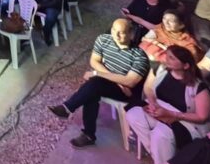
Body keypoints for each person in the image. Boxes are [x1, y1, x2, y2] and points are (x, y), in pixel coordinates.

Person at [48, 18, 149, 147]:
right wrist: (117, 81)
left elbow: (130, 81)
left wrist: (98, 74)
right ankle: (87, 134)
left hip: (126, 92)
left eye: (121, 32)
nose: (116, 35)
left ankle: (69, 110)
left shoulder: (139, 56)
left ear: (131, 34)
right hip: (115, 84)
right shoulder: (104, 40)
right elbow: (94, 62)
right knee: (93, 89)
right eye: (114, 30)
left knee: (94, 83)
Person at [129, 46, 210, 164]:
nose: (166, 59)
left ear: (185, 65)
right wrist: (152, 103)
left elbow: (202, 117)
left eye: (172, 58)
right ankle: (159, 160)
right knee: (133, 115)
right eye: (167, 56)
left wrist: (172, 114)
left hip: (187, 123)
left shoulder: (199, 87)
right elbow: (149, 89)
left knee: (161, 133)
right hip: (161, 110)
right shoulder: (162, 70)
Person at [140, 10, 205, 64]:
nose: (166, 23)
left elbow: (187, 62)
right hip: (141, 59)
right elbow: (145, 39)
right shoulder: (160, 28)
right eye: (164, 18)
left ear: (181, 25)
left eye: (171, 21)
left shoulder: (187, 44)